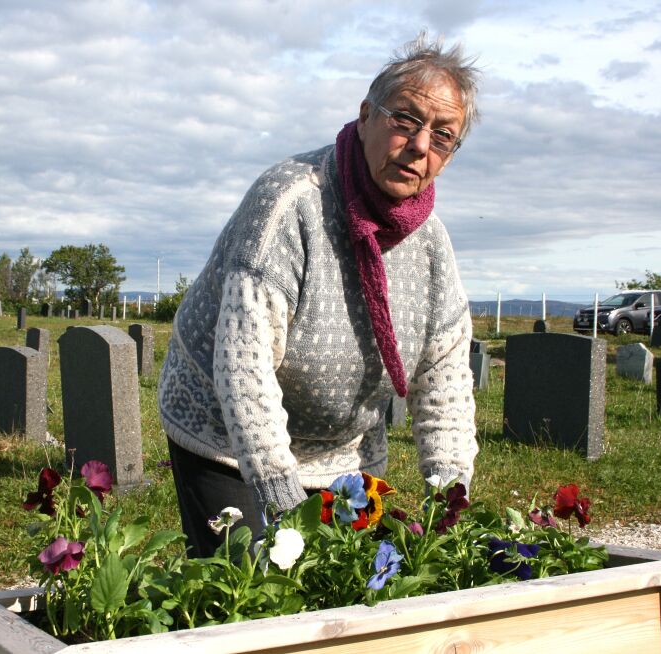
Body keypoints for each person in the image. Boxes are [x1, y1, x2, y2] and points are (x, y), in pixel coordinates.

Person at [158, 32, 480, 556]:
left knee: (352, 594)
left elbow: (443, 381)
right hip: (224, 436)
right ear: (365, 115)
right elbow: (244, 365)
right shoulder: (291, 202)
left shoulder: (431, 245)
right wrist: (281, 500)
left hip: (344, 455)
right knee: (250, 591)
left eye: (443, 136)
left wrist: (447, 503)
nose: (420, 145)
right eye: (405, 119)